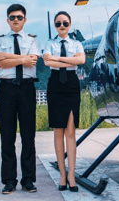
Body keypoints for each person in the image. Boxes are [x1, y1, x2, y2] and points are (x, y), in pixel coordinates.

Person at [0, 4, 40, 194]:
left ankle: (28, 180)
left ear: (25, 19)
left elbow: (32, 60)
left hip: (27, 89)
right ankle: (9, 180)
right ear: (7, 20)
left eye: (19, 17)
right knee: (7, 136)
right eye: (12, 17)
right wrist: (21, 58)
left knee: (28, 136)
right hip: (6, 88)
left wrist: (7, 57)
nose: (16, 20)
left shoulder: (33, 39)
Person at [43, 11, 85, 192]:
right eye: (58, 23)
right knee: (57, 130)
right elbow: (47, 62)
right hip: (54, 85)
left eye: (65, 23)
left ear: (70, 24)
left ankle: (71, 175)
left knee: (70, 130)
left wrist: (57, 59)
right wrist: (70, 60)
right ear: (55, 25)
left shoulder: (77, 43)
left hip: (71, 85)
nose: (61, 26)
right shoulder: (49, 44)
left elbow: (81, 60)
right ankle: (62, 174)